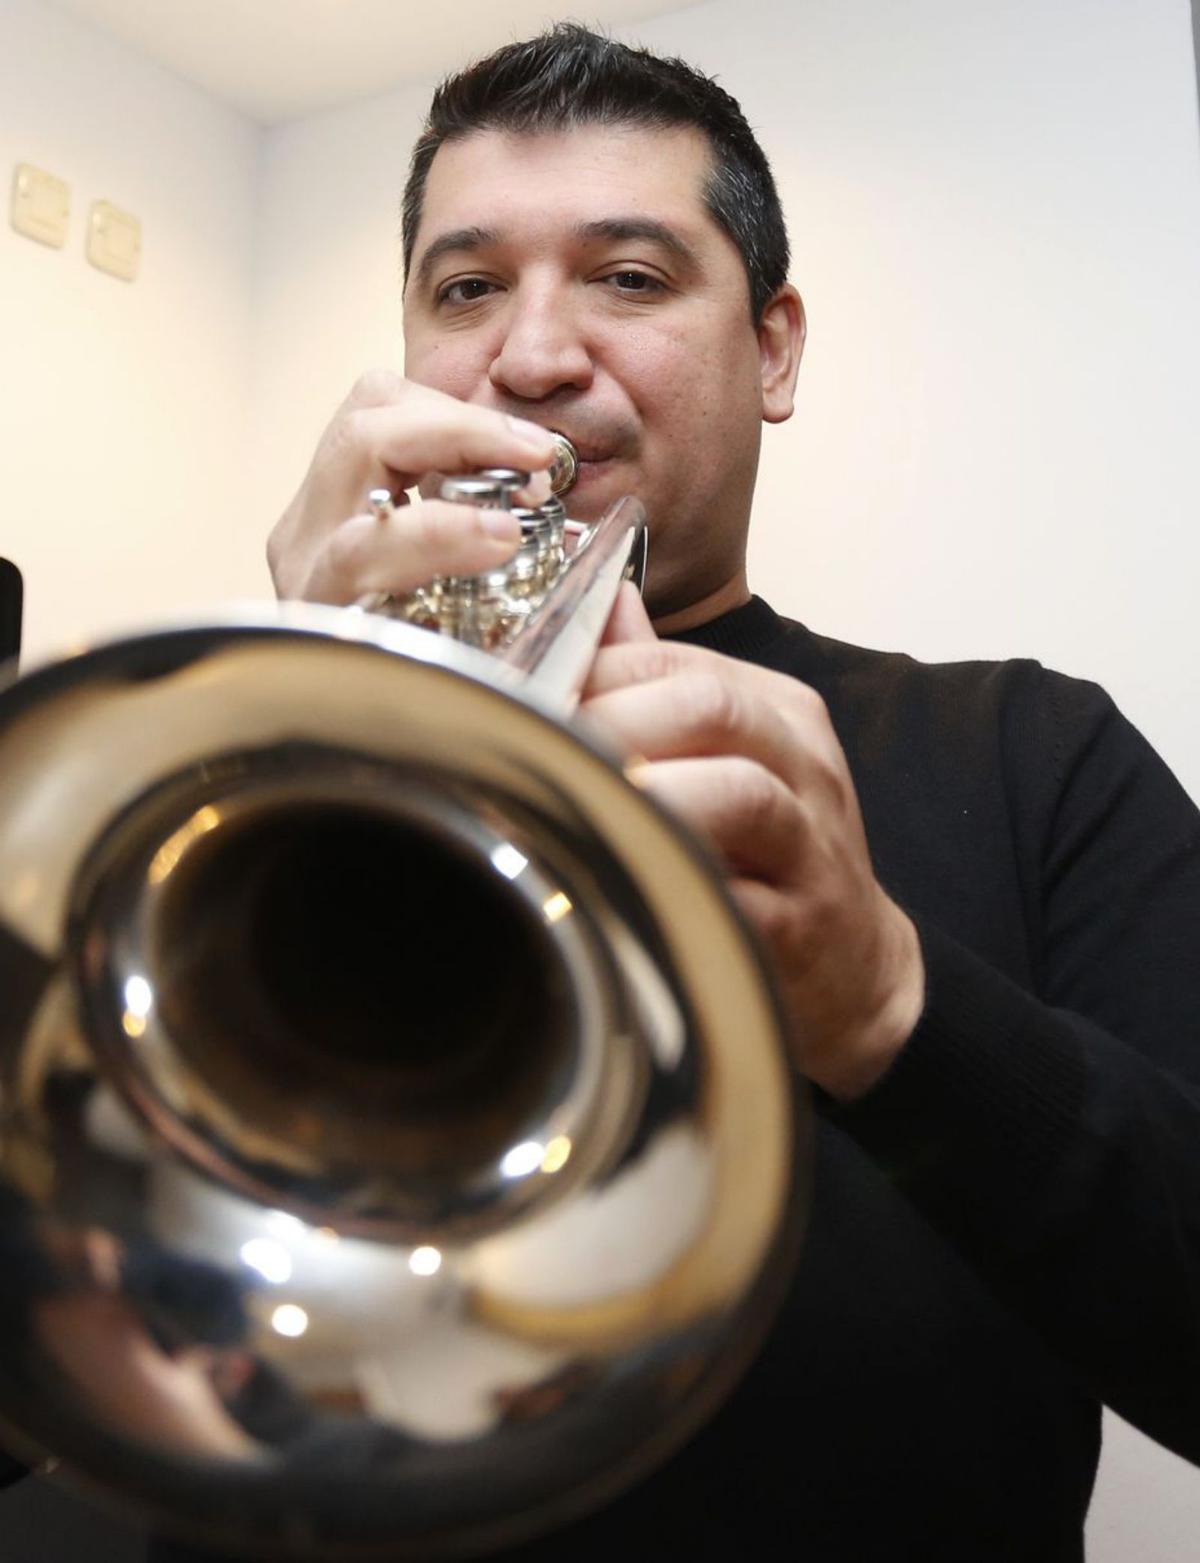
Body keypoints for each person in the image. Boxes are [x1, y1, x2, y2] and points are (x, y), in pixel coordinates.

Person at [147, 20, 1200, 1561]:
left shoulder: (1032, 754)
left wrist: (891, 1005)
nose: (530, 354)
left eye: (630, 278)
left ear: (772, 350)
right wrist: (294, 731)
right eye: (466, 287)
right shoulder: (220, 789)